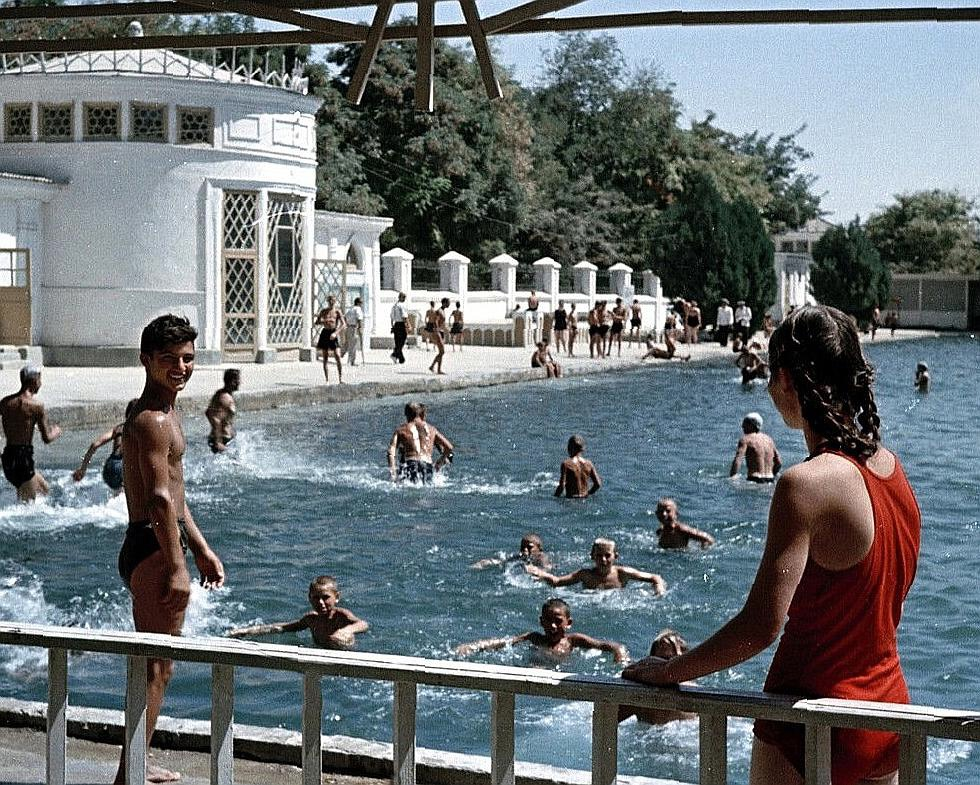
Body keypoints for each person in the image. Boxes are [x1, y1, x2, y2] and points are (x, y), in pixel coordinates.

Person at [623, 304, 920, 785]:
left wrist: (669, 671)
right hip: (888, 714)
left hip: (809, 715)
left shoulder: (804, 484)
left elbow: (763, 624)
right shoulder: (893, 471)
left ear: (784, 378)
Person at [114, 314, 225, 785]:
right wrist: (178, 567)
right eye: (170, 360)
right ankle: (129, 774)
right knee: (156, 668)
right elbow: (159, 498)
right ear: (146, 360)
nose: (181, 367)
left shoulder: (159, 411)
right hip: (155, 548)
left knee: (159, 666)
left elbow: (176, 495)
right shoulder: (155, 420)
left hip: (156, 543)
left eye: (187, 358)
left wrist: (199, 547)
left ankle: (136, 763)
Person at [454, 598, 629, 664]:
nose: (552, 626)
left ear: (569, 623)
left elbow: (607, 645)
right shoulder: (534, 638)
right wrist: (473, 646)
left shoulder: (573, 640)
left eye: (558, 622)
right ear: (541, 622)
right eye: (548, 621)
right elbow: (505, 643)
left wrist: (619, 654)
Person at [228, 575, 368, 649]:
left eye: (325, 598)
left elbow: (363, 624)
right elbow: (281, 627)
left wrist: (347, 631)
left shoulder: (341, 615)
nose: (320, 602)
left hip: (344, 653)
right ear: (309, 598)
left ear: (336, 597)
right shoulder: (311, 619)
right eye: (315, 598)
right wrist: (245, 632)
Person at [1, 365, 62, 502]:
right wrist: (57, 431)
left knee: (45, 491)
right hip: (23, 460)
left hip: (8, 458)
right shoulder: (36, 406)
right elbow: (46, 438)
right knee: (28, 506)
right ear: (34, 381)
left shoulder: (5, 402)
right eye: (40, 379)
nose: (41, 383)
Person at [526, 537, 667, 595]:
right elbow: (557, 582)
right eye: (599, 556)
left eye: (607, 556)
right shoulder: (585, 575)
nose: (603, 560)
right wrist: (541, 574)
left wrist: (659, 590)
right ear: (592, 557)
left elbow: (655, 577)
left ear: (615, 557)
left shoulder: (622, 573)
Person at [618, 630, 697, 724]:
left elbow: (606, 720)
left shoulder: (640, 696)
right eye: (658, 661)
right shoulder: (696, 694)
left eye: (668, 661)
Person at [72, 399, 139, 495]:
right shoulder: (139, 431)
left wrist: (82, 469)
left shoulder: (118, 428)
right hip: (122, 468)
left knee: (116, 496)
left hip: (109, 467)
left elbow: (95, 444)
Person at [387, 402, 454, 484]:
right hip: (427, 466)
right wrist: (439, 463)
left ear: (407, 414)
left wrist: (393, 474)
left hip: (410, 466)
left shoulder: (401, 430)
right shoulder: (432, 429)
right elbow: (449, 447)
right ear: (421, 414)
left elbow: (391, 452)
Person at [729, 412, 782, 483]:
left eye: (745, 423)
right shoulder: (769, 440)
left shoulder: (746, 439)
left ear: (752, 425)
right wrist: (773, 474)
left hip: (754, 479)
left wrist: (733, 476)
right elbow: (778, 463)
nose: (742, 426)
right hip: (770, 479)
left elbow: (738, 459)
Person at [471, 533, 551, 570]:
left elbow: (547, 569)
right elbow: (503, 562)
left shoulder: (542, 558)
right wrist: (486, 562)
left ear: (539, 549)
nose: (525, 549)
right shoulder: (522, 556)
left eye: (529, 547)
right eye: (522, 547)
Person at [205, 369, 240, 454]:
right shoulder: (225, 398)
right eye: (237, 380)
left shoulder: (221, 393)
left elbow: (208, 412)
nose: (239, 382)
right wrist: (218, 442)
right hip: (222, 441)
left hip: (224, 439)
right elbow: (215, 419)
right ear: (231, 381)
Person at [315, 295, 346, 384]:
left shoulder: (337, 312)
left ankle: (340, 378)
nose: (331, 302)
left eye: (333, 300)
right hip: (325, 333)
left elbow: (343, 324)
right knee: (325, 357)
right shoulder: (324, 311)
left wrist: (336, 333)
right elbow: (317, 322)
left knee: (337, 355)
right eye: (330, 301)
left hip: (333, 333)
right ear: (328, 301)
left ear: (335, 301)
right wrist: (323, 321)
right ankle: (327, 380)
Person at [428, 298, 449, 375]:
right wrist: (437, 330)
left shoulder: (443, 311)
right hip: (437, 332)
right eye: (448, 303)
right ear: (444, 303)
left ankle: (436, 368)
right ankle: (434, 367)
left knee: (441, 352)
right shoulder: (439, 311)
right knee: (442, 351)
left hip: (441, 332)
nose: (449, 304)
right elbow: (435, 321)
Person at [344, 296, 364, 366]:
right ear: (358, 303)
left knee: (350, 344)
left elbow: (345, 317)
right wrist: (360, 328)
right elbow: (359, 318)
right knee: (353, 345)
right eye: (361, 303)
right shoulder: (358, 309)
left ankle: (351, 360)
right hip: (354, 327)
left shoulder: (350, 309)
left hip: (348, 327)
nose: (362, 304)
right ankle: (351, 361)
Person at [390, 291, 409, 364]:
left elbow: (391, 317)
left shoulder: (394, 306)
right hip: (401, 324)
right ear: (400, 297)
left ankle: (401, 358)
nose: (404, 299)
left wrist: (392, 326)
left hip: (396, 324)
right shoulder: (402, 305)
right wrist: (408, 325)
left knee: (397, 342)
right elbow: (404, 317)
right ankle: (394, 354)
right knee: (402, 341)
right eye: (403, 297)